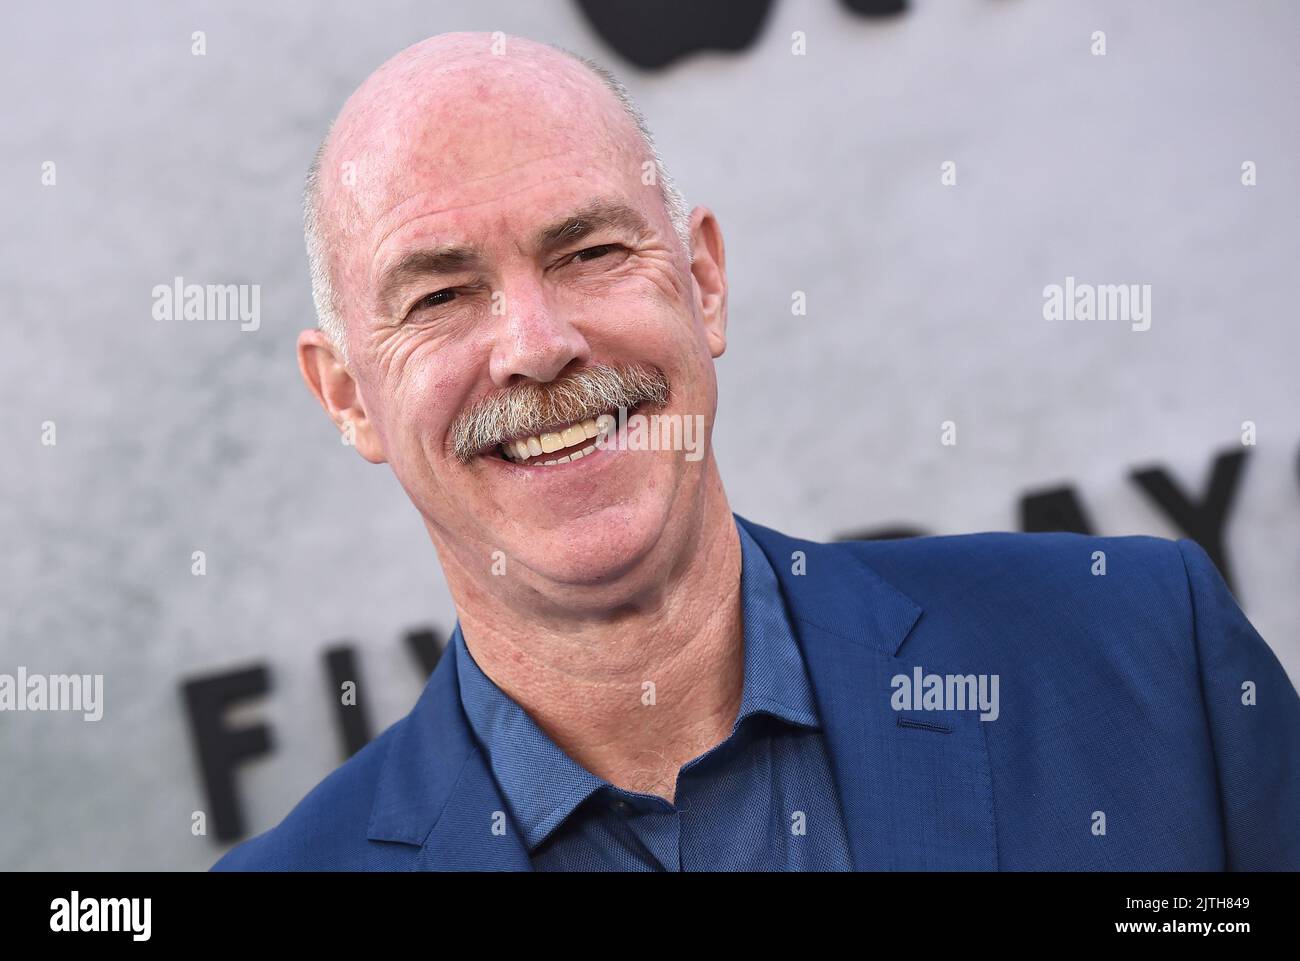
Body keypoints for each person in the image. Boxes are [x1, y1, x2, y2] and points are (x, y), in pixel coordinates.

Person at [212, 32, 1299, 871]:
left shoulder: (1143, 658)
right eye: (442, 295)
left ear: (706, 283)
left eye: (589, 250)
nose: (537, 348)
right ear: (348, 396)